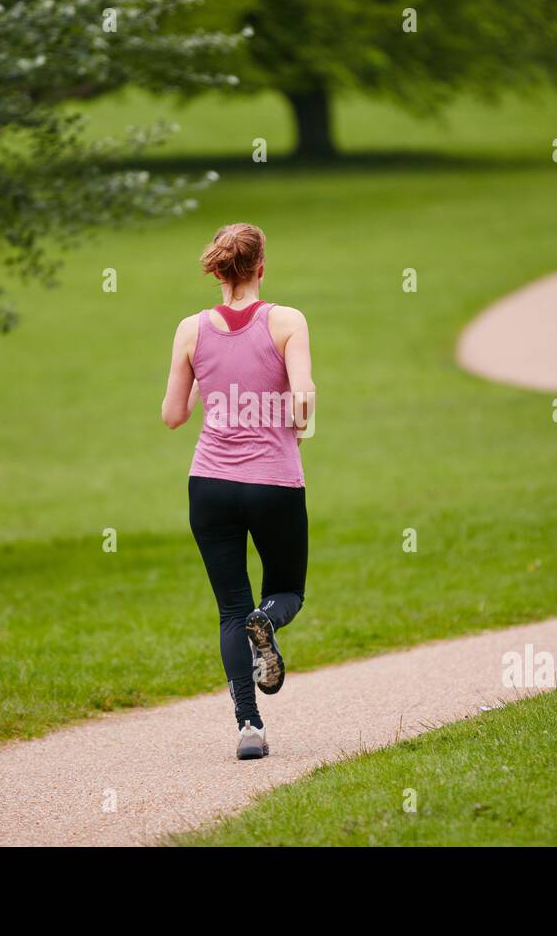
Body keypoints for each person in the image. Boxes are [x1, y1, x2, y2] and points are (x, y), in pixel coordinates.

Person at [161, 222, 315, 760]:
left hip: (209, 486)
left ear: (219, 272)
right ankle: (266, 622)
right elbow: (302, 401)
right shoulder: (287, 321)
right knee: (287, 591)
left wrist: (211, 380)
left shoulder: (190, 329)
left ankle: (249, 728)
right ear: (261, 268)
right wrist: (293, 423)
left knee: (230, 609)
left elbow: (173, 416)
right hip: (273, 483)